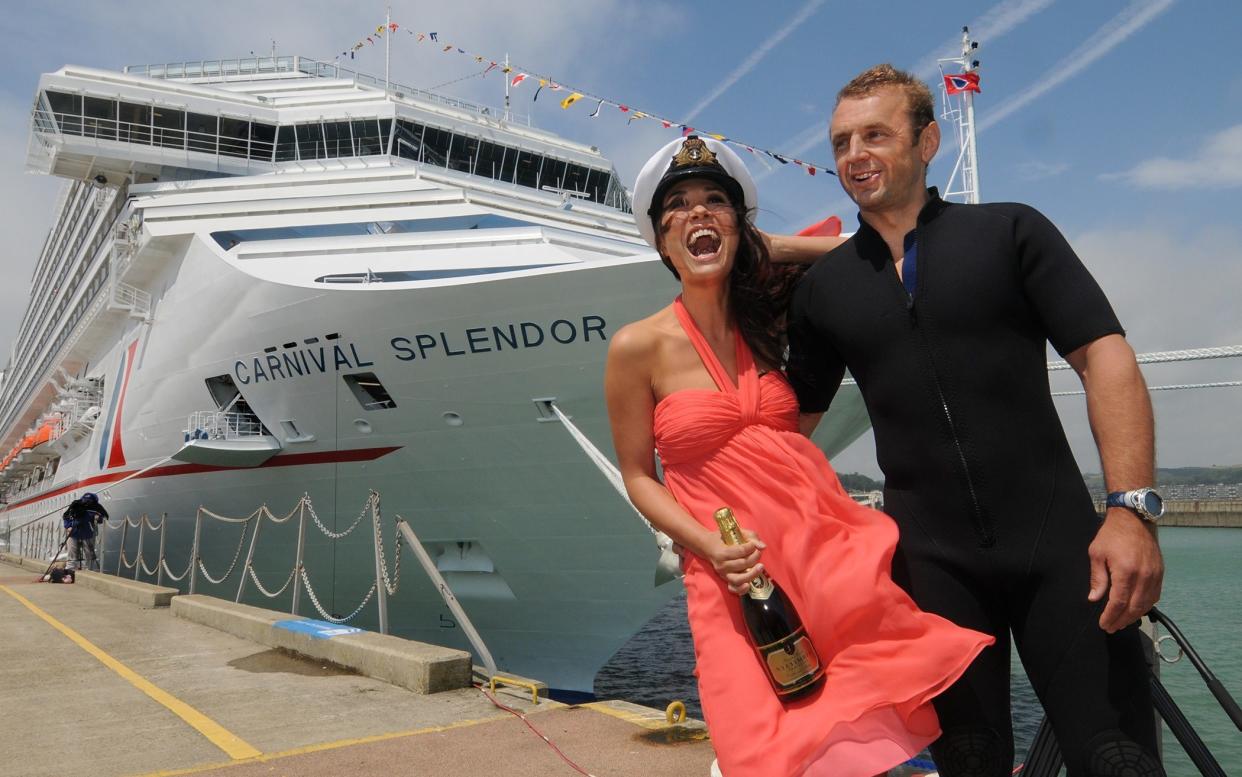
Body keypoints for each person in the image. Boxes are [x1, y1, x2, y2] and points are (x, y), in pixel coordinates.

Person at [783, 64, 1166, 776]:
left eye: (876, 134)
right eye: (840, 142)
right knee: (969, 759)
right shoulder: (826, 291)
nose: (854, 155)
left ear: (927, 141)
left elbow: (1105, 358)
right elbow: (785, 430)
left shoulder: (1009, 231)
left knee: (1117, 759)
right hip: (931, 570)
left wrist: (1132, 511)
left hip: (1061, 551)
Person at [606, 134, 993, 777]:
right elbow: (639, 476)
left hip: (822, 556)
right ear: (659, 237)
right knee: (755, 743)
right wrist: (705, 544)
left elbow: (870, 253)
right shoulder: (636, 347)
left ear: (739, 225)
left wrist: (764, 248)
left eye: (715, 203)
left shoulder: (770, 323)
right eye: (677, 205)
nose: (697, 214)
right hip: (733, 574)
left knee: (845, 739)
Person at [63, 492, 108, 571]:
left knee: (83, 553)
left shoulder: (95, 508)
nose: (87, 502)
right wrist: (68, 526)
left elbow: (101, 518)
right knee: (76, 552)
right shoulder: (76, 506)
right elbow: (66, 516)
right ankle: (74, 570)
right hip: (78, 532)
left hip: (83, 533)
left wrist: (98, 518)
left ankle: (78, 569)